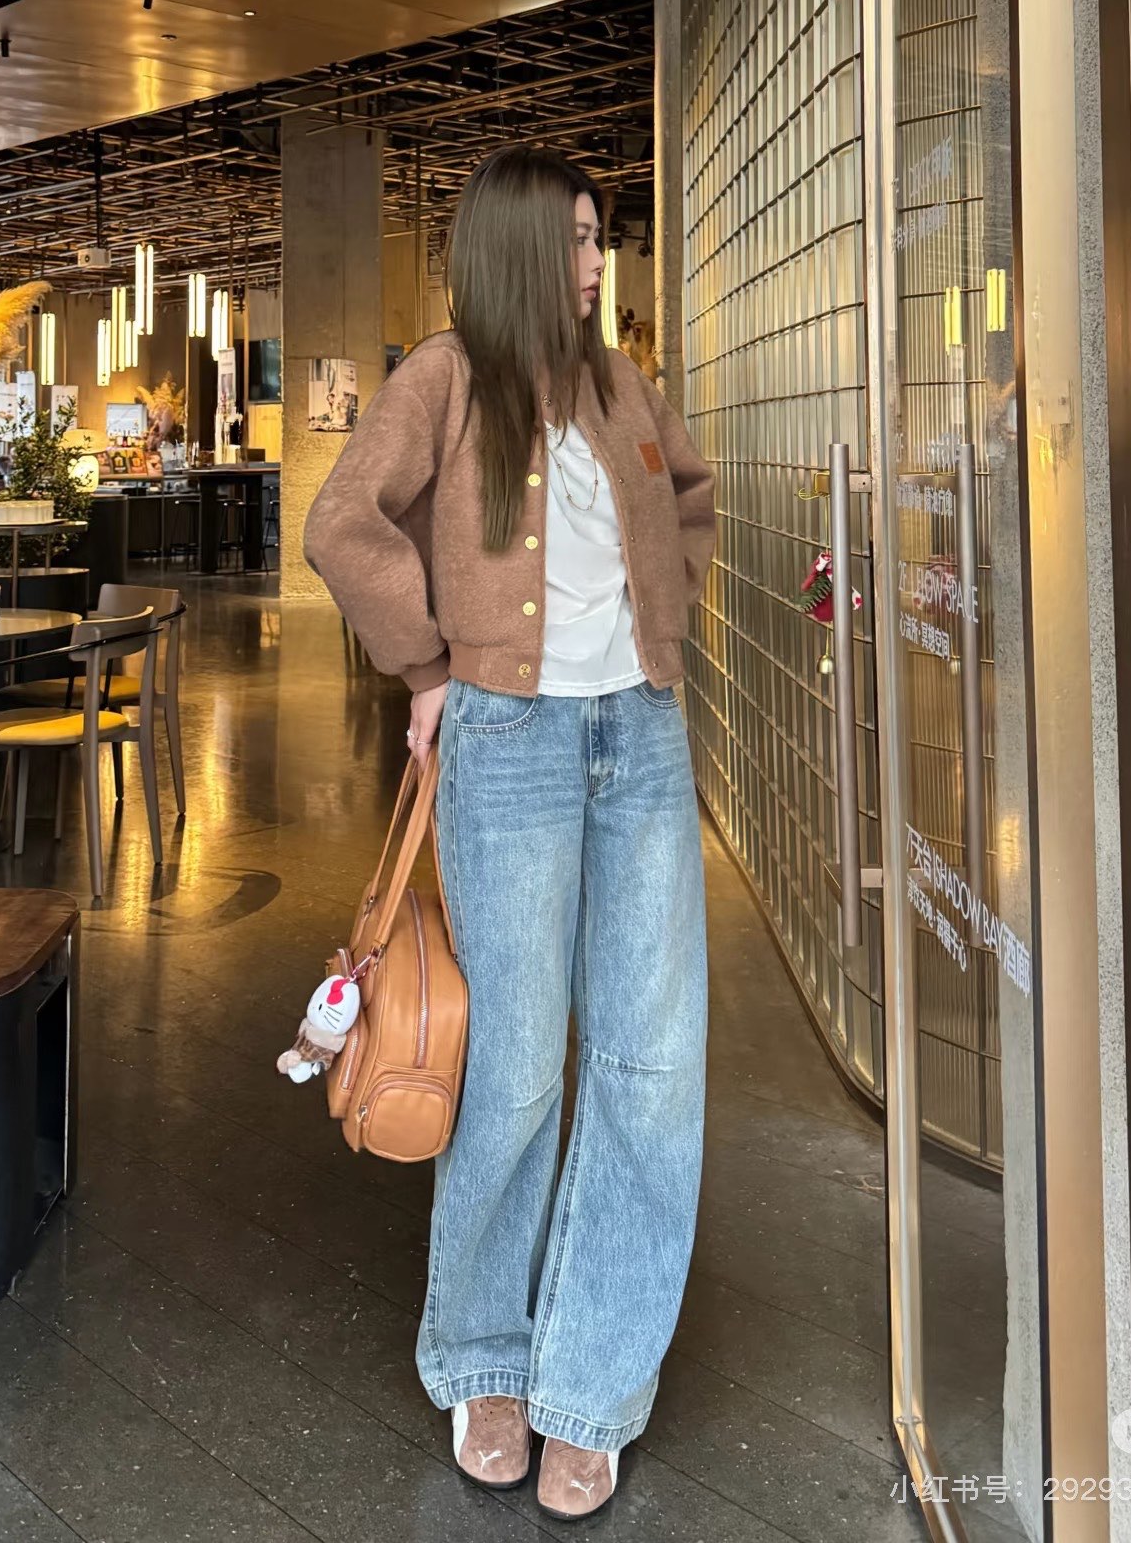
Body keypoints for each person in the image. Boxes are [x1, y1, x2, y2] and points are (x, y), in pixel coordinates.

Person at [303, 143, 716, 1520]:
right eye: (580, 238)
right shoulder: (443, 378)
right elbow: (343, 523)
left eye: (602, 237)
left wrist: (664, 630)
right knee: (521, 1066)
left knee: (653, 1064)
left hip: (640, 739)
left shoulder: (621, 385)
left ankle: (591, 1387)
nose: (598, 262)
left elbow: (690, 497)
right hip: (513, 745)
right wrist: (428, 666)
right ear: (519, 246)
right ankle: (484, 1357)